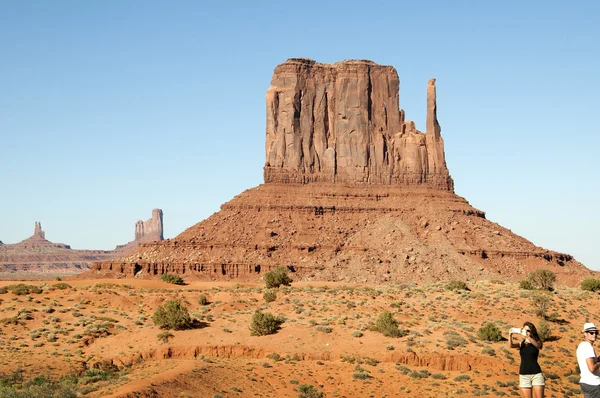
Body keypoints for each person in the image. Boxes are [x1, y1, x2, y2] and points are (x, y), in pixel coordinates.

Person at [509, 321, 545, 398]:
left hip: (536, 374)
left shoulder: (536, 342)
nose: (526, 332)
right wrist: (510, 335)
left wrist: (528, 337)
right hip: (524, 375)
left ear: (532, 331)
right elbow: (511, 346)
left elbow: (538, 346)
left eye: (528, 330)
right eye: (525, 330)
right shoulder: (522, 343)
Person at [577, 322, 600, 397]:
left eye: (596, 333)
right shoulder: (588, 347)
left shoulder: (582, 345)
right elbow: (592, 368)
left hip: (586, 382)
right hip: (593, 383)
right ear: (585, 334)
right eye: (591, 333)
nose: (594, 335)